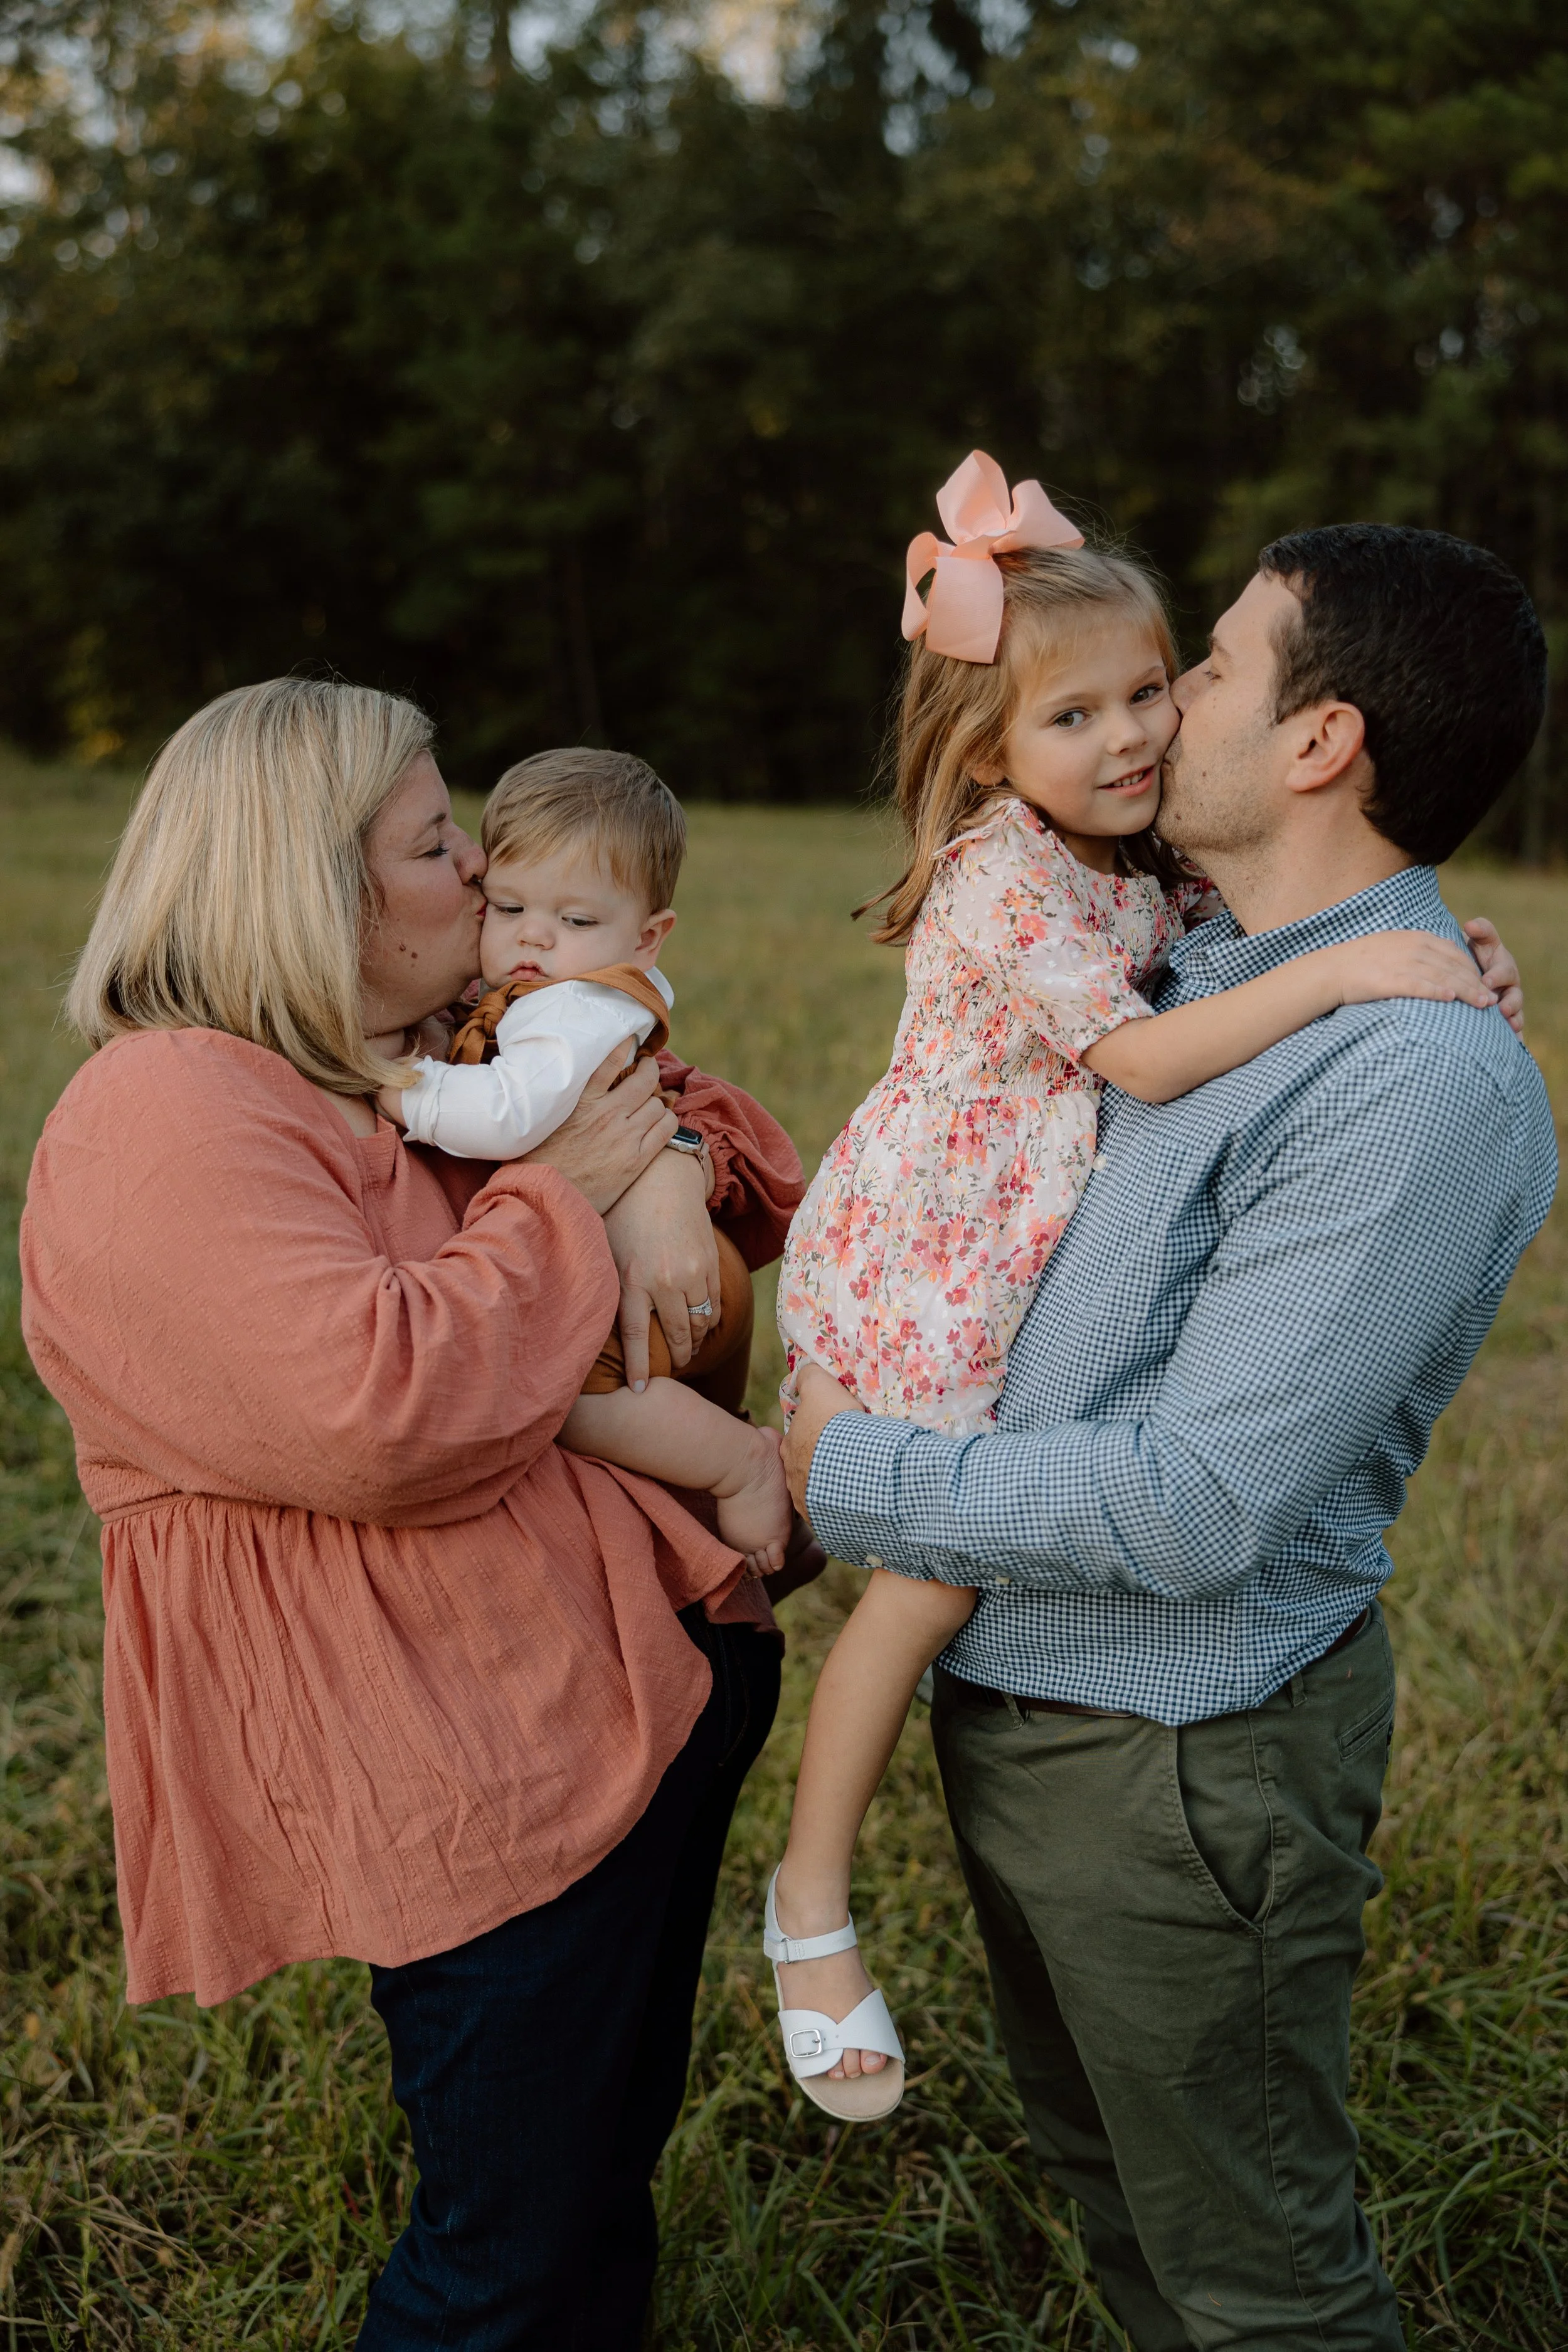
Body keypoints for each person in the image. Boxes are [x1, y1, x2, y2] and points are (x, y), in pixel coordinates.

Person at [783, 516, 1554, 2349]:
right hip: (1045, 1718)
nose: (1162, 706)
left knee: (1259, 2289)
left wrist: (849, 1467)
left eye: (1204, 665)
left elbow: (1204, 1500)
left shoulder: (1413, 1070)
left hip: (1174, 1759)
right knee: (1127, 2213)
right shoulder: (1207, 954)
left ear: (1315, 742)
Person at [19, 677, 808, 2352]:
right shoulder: (167, 1111)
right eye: (442, 842)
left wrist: (652, 1167)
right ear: (310, 884)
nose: (485, 875)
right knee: (496, 2260)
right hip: (479, 1761)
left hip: (614, 1697)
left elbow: (719, 1151)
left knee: (584, 2189)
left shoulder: (412, 1050)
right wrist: (568, 1190)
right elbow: (379, 1408)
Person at [378, 745, 792, 1573]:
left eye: (574, 921)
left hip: (623, 1285)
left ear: (647, 937)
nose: (534, 935)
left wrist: (403, 1085)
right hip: (602, 1265)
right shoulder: (558, 987)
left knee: (571, 1407)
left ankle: (741, 1463)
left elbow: (505, 1114)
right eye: (509, 905)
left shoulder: (573, 1010)